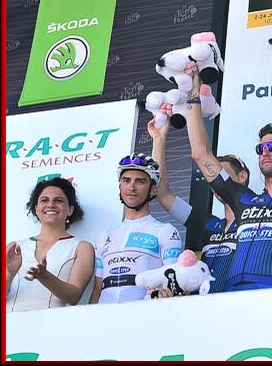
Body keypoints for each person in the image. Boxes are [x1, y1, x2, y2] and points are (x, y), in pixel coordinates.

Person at [184, 72, 272, 291]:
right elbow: (201, 155)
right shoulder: (243, 199)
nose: (265, 152)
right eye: (260, 148)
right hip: (230, 296)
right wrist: (193, 93)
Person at [149, 118, 250, 293]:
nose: (216, 182)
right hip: (202, 306)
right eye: (212, 178)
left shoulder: (260, 220)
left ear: (242, 176)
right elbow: (162, 194)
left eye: (222, 176)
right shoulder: (207, 223)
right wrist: (159, 140)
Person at [89, 153, 183, 303]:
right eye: (126, 180)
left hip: (144, 312)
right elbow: (97, 289)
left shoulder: (165, 231)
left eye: (140, 181)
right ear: (120, 186)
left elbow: (174, 284)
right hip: (104, 313)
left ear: (153, 190)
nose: (131, 187)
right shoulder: (105, 236)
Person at [6, 177, 95, 312]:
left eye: (58, 200)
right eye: (44, 200)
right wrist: (9, 273)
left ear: (70, 209)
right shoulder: (15, 247)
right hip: (11, 321)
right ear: (36, 209)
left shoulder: (82, 247)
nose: (50, 205)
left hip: (52, 322)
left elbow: (74, 296)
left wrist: (45, 276)